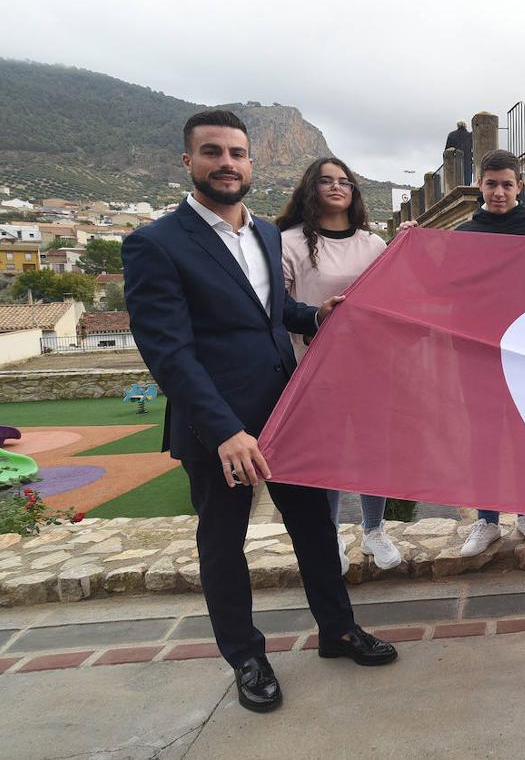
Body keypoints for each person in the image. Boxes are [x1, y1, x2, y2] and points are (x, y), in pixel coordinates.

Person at [122, 111, 397, 714]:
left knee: (315, 532)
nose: (227, 163)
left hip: (288, 412)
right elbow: (168, 352)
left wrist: (316, 317)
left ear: (252, 163)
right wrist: (224, 431)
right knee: (223, 544)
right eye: (213, 152)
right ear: (188, 162)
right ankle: (247, 657)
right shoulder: (155, 244)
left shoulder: (268, 235)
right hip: (218, 429)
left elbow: (271, 316)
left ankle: (337, 630)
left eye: (237, 153)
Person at [276, 157, 400, 573]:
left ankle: (374, 530)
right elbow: (279, 306)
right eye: (326, 181)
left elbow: (394, 298)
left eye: (344, 181)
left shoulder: (374, 244)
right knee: (324, 457)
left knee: (374, 451)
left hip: (369, 365)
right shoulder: (289, 242)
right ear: (310, 188)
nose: (336, 187)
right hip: (313, 367)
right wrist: (316, 315)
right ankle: (328, 536)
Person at [452, 149, 525, 555]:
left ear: (519, 186)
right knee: (484, 438)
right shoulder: (463, 236)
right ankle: (486, 520)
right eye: (491, 184)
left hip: (524, 354)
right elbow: (445, 287)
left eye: (507, 184)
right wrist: (412, 240)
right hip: (477, 355)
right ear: (479, 186)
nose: (499, 192)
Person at [445, 120, 473, 185]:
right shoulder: (469, 135)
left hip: (454, 161)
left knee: (455, 177)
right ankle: (466, 188)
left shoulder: (451, 135)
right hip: (467, 160)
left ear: (458, 126)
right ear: (465, 126)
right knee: (467, 178)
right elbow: (473, 149)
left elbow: (447, 149)